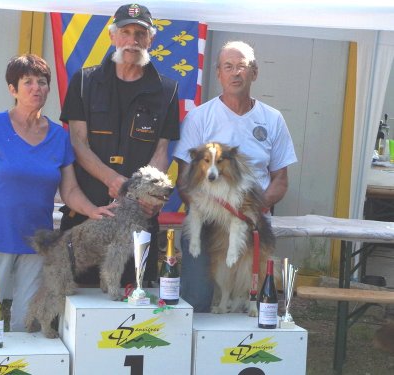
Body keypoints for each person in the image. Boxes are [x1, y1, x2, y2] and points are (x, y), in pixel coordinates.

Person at [0, 54, 114, 333]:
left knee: (27, 321)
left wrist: (93, 211)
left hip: (37, 244)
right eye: (27, 82)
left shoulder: (59, 137)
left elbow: (69, 190)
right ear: (12, 89)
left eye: (42, 82)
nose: (36, 88)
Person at [59, 4, 180, 285]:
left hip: (137, 220)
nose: (133, 40)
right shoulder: (83, 82)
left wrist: (142, 196)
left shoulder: (167, 90)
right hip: (86, 219)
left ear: (151, 39)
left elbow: (161, 151)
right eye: (125, 32)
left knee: (134, 306)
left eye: (140, 33)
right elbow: (77, 143)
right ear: (113, 36)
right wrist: (113, 180)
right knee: (77, 306)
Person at [173, 41, 298, 312]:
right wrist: (214, 209)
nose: (235, 73)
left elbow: (280, 179)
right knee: (198, 300)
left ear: (254, 73)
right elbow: (184, 181)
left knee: (258, 302)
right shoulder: (199, 117)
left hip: (254, 221)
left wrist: (252, 208)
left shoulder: (272, 119)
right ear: (218, 73)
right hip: (208, 223)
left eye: (242, 67)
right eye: (228, 67)